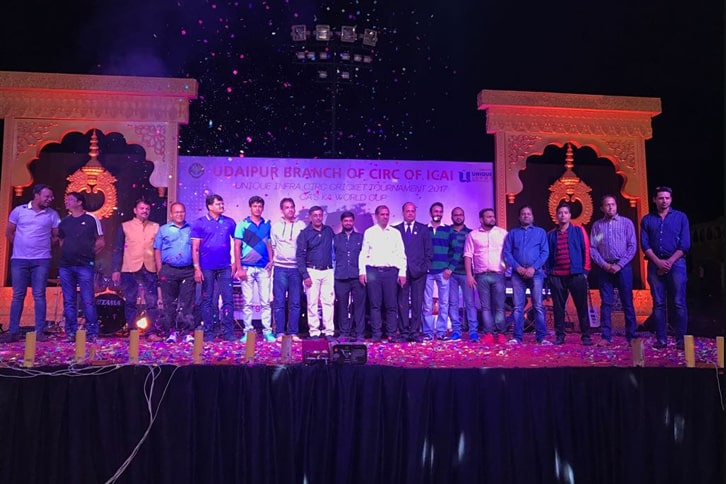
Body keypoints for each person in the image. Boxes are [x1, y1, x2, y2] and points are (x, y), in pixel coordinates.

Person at [1, 184, 60, 343]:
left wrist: (45, 246)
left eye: (51, 197)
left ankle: (39, 331)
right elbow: (9, 232)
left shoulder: (52, 214)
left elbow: (56, 235)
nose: (50, 199)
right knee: (18, 295)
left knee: (39, 294)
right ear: (36, 195)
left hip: (41, 260)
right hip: (19, 259)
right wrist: (21, 246)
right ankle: (13, 331)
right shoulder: (19, 211)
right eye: (47, 196)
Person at [640, 186, 690, 350]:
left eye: (667, 198)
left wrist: (669, 262)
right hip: (655, 264)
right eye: (661, 198)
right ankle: (661, 339)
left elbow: (685, 244)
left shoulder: (681, 217)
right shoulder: (647, 219)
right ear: (654, 200)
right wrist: (658, 262)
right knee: (659, 303)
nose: (664, 201)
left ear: (671, 199)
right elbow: (645, 244)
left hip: (677, 264)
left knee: (678, 302)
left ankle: (681, 340)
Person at [590, 195, 638, 344]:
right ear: (602, 208)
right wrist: (604, 264)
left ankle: (631, 336)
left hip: (623, 267)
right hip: (605, 268)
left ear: (616, 206)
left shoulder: (626, 223)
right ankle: (606, 336)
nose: (610, 207)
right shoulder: (599, 226)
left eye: (613, 204)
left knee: (627, 302)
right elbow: (593, 247)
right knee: (606, 303)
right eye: (607, 205)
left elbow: (632, 246)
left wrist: (620, 264)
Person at [112, 199, 161, 341]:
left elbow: (159, 249)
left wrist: (160, 268)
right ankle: (132, 331)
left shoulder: (156, 227)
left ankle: (151, 332)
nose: (144, 211)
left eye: (147, 209)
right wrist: (116, 269)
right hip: (130, 267)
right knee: (130, 300)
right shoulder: (125, 226)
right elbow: (118, 249)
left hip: (150, 267)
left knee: (152, 301)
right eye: (142, 208)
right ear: (135, 210)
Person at [58, 192, 104, 342]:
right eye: (66, 199)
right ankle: (71, 333)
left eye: (70, 199)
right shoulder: (64, 221)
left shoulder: (91, 219)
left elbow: (101, 242)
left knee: (87, 299)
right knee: (69, 300)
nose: (67, 202)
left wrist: (88, 254)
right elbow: (61, 241)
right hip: (66, 266)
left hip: (84, 265)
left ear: (79, 202)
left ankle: (92, 333)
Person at [546, 201, 593, 346]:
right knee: (558, 308)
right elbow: (547, 255)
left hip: (576, 274)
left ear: (570, 215)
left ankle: (586, 336)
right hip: (557, 276)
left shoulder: (579, 230)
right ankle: (560, 336)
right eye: (560, 213)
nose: (563, 215)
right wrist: (549, 273)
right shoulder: (551, 235)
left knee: (581, 306)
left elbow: (586, 249)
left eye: (565, 213)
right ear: (556, 216)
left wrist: (585, 271)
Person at [191, 194, 237, 342]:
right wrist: (197, 268)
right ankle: (209, 332)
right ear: (209, 206)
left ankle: (228, 332)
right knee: (207, 300)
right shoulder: (199, 223)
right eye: (218, 204)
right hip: (206, 268)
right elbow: (195, 248)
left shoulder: (229, 222)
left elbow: (237, 244)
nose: (221, 206)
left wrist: (235, 263)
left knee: (228, 299)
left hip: (225, 267)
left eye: (222, 203)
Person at [502, 205, 550, 345]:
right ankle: (517, 337)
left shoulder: (540, 232)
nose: (526, 216)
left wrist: (533, 268)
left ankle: (541, 338)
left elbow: (545, 252)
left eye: (528, 214)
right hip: (517, 274)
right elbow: (507, 253)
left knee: (538, 306)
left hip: (536, 273)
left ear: (532, 216)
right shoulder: (512, 233)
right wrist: (517, 267)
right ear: (519, 217)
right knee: (518, 307)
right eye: (523, 214)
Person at [359, 205, 407, 342]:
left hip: (391, 272)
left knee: (391, 305)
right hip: (373, 272)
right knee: (375, 305)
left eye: (387, 214)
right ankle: (376, 334)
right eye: (382, 214)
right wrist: (362, 271)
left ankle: (391, 333)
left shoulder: (395, 233)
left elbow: (401, 254)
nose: (385, 217)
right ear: (376, 216)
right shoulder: (369, 232)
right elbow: (364, 253)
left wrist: (402, 272)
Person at [464, 208, 508, 344]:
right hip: (481, 276)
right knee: (485, 307)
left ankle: (501, 333)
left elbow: (509, 252)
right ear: (481, 219)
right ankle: (488, 333)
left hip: (498, 274)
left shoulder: (503, 233)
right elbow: (468, 255)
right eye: (488, 217)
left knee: (499, 306)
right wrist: (469, 275)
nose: (492, 219)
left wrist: (507, 268)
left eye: (493, 216)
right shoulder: (473, 235)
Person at [234, 195, 275, 343]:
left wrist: (271, 260)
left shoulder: (267, 224)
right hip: (247, 268)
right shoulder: (242, 224)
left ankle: (267, 332)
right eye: (255, 206)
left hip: (263, 268)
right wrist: (239, 268)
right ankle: (248, 332)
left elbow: (269, 243)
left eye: (260, 206)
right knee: (247, 302)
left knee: (265, 302)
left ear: (262, 208)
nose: (257, 209)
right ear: (250, 207)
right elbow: (237, 247)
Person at [154, 202, 195, 343]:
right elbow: (157, 250)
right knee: (169, 303)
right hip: (168, 270)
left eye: (182, 212)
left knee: (187, 303)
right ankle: (171, 333)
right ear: (171, 214)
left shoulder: (191, 229)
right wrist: (160, 270)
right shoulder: (163, 230)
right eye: (176, 212)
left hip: (188, 271)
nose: (179, 214)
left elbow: (196, 249)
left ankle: (187, 333)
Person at [394, 202, 432, 342]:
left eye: (412, 211)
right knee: (402, 303)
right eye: (408, 211)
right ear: (403, 212)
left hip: (419, 272)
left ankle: (415, 332)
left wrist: (424, 267)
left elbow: (429, 251)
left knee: (417, 303)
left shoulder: (423, 229)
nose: (410, 213)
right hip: (402, 273)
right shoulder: (396, 230)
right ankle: (404, 332)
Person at [297, 206, 336, 340]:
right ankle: (314, 331)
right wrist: (305, 275)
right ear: (310, 217)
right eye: (315, 215)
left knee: (328, 302)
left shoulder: (329, 231)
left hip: (328, 271)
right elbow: (300, 256)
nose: (318, 218)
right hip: (312, 271)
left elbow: (335, 251)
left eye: (320, 215)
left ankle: (329, 331)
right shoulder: (305, 234)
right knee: (312, 302)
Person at [270, 198, 306, 340]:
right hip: (280, 268)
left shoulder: (301, 226)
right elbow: (273, 246)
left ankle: (292, 332)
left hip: (296, 269)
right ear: (282, 210)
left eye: (292, 207)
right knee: (279, 302)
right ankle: (280, 332)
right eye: (287, 207)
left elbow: (304, 246)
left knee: (295, 303)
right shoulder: (276, 227)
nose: (290, 210)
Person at [422, 202, 455, 341]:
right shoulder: (424, 229)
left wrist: (450, 268)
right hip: (427, 272)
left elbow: (456, 251)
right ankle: (428, 333)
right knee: (427, 304)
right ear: (431, 213)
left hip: (443, 271)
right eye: (436, 211)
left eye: (440, 211)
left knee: (444, 303)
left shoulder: (448, 230)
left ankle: (441, 332)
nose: (438, 214)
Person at [333, 211, 366, 342]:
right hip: (340, 277)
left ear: (353, 222)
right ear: (342, 222)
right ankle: (344, 333)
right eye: (345, 221)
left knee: (359, 306)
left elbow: (365, 256)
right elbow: (333, 258)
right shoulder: (336, 238)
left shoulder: (360, 238)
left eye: (350, 221)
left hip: (357, 277)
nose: (348, 223)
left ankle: (359, 333)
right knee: (342, 306)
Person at [447, 207, 475, 341]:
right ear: (451, 217)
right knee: (453, 303)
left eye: (460, 215)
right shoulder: (447, 231)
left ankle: (473, 332)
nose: (458, 217)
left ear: (464, 216)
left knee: (470, 303)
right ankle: (456, 331)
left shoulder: (470, 233)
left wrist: (472, 273)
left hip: (466, 273)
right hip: (451, 273)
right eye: (455, 215)